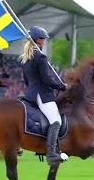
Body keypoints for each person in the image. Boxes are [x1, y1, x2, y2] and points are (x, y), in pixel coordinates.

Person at [19, 26, 68, 165]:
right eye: (43, 39)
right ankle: (52, 154)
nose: (44, 41)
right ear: (38, 40)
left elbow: (26, 80)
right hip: (42, 94)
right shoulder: (40, 56)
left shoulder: (25, 58)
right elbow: (47, 79)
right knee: (55, 121)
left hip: (30, 94)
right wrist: (61, 86)